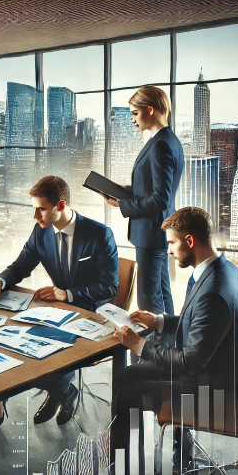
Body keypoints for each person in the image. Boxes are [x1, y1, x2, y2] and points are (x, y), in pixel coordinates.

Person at [112, 207, 238, 469]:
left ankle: (122, 469)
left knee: (129, 390)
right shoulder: (225, 272)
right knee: (127, 375)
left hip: (211, 389)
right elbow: (204, 326)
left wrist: (140, 345)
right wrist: (160, 321)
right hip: (216, 370)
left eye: (172, 243)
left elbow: (189, 362)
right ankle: (175, 458)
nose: (169, 251)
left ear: (190, 241)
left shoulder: (213, 291)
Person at [0, 176, 118, 427]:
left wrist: (68, 294)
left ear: (60, 206)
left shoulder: (99, 234)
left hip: (87, 312)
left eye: (41, 209)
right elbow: (21, 265)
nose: (35, 216)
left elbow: (109, 286)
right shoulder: (41, 232)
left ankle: (58, 392)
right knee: (13, 341)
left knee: (46, 348)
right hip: (55, 311)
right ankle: (65, 391)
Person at [101, 86, 183, 316]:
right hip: (159, 232)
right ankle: (168, 346)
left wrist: (123, 204)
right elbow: (154, 188)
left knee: (148, 301)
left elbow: (160, 198)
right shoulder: (169, 140)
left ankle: (151, 351)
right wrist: (123, 190)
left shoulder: (161, 145)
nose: (133, 120)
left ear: (150, 110)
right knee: (163, 295)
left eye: (135, 114)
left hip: (151, 233)